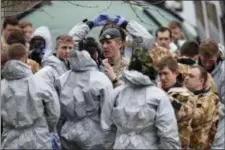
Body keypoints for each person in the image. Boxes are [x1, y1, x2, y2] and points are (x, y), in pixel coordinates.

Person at [101, 48, 180, 149]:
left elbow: (107, 128)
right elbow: (168, 134)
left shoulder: (116, 93)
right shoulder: (159, 96)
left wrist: (109, 146)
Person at [68, 13, 154, 88]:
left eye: (109, 42)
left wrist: (127, 24)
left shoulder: (130, 67)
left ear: (120, 43)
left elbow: (148, 40)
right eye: (102, 42)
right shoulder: (95, 65)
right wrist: (89, 24)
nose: (105, 46)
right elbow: (69, 42)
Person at [1, 44, 60, 149]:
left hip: (10, 138)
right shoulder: (40, 82)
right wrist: (49, 128)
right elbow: (54, 111)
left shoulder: (2, 85)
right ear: (25, 57)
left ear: (8, 58)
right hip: (39, 137)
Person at [56, 50, 113, 149]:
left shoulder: (62, 79)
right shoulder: (100, 79)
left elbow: (58, 111)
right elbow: (107, 109)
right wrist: (108, 134)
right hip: (94, 132)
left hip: (68, 131)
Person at [157, 56, 196, 148]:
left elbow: (179, 112)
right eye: (160, 74)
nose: (162, 78)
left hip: (177, 144)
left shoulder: (184, 94)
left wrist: (160, 95)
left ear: (175, 73)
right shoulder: (159, 90)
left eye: (166, 73)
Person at [184, 65, 220, 149]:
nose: (186, 78)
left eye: (191, 76)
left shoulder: (209, 98)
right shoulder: (186, 95)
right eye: (186, 75)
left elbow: (195, 118)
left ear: (201, 81)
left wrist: (175, 104)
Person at [198, 40, 225, 104]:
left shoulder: (223, 72)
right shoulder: (194, 68)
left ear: (217, 55)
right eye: (204, 60)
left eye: (211, 61)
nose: (207, 64)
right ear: (199, 55)